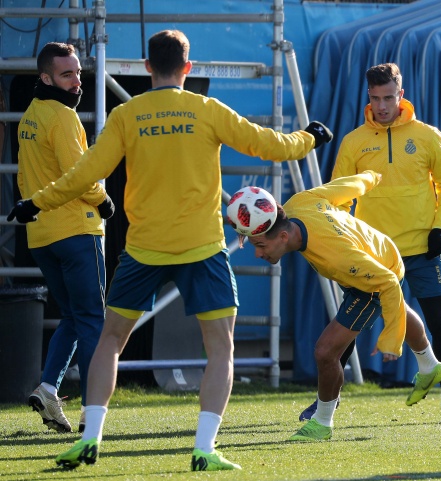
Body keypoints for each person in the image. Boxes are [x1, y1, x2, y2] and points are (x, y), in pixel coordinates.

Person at [7, 29, 332, 471]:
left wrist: (34, 203)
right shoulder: (206, 109)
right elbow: (267, 144)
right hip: (202, 247)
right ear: (188, 68)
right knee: (220, 349)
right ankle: (204, 448)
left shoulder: (128, 114)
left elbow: (84, 174)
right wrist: (309, 138)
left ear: (146, 67)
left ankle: (91, 438)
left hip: (143, 249)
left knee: (110, 341)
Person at [235, 171, 441, 442]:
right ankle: (431, 366)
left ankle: (322, 422)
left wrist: (390, 341)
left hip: (375, 275)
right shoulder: (298, 204)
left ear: (283, 237)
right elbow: (345, 187)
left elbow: (387, 284)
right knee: (393, 311)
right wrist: (371, 176)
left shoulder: (336, 254)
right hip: (380, 251)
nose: (258, 253)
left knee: (326, 352)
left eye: (260, 245)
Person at [316, 62, 441, 425]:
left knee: (437, 323)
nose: (382, 105)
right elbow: (337, 198)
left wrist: (440, 228)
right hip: (374, 254)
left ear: (401, 94)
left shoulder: (428, 135)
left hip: (422, 249)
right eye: (374, 98)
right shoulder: (354, 141)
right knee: (348, 327)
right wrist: (344, 241)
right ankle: (326, 404)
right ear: (368, 97)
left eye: (388, 97)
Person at [16, 42, 115, 434]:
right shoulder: (61, 116)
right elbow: (78, 174)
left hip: (41, 236)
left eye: (77, 72)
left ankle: (47, 388)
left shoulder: (30, 115)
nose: (76, 81)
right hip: (77, 229)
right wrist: (103, 199)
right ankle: (94, 412)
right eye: (66, 74)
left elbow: (30, 178)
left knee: (74, 316)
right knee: (93, 321)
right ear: (45, 78)